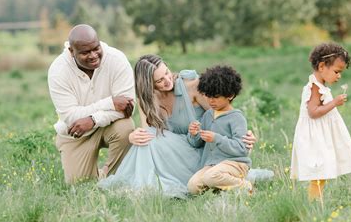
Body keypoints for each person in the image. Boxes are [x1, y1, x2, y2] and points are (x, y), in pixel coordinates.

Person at [98, 55, 264, 197]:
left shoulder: (191, 85)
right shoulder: (146, 99)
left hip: (199, 149)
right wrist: (133, 135)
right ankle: (144, 185)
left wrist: (245, 133)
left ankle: (150, 185)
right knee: (146, 138)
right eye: (159, 80)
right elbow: (147, 131)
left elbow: (223, 113)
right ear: (148, 84)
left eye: (167, 73)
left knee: (152, 138)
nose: (167, 80)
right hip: (170, 154)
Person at [48, 24, 135, 184]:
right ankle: (99, 176)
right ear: (71, 51)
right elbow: (70, 116)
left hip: (111, 125)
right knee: (81, 185)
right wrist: (111, 102)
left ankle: (114, 179)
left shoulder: (117, 59)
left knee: (126, 128)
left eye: (96, 48)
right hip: (76, 133)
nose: (94, 55)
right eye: (85, 52)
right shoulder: (58, 70)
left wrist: (93, 120)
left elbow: (127, 107)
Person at [290, 43, 351, 201]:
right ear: (322, 66)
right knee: (319, 171)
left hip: (321, 135)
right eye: (337, 71)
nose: (339, 76)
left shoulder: (320, 85)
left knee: (323, 171)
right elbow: (313, 113)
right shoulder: (314, 87)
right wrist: (334, 103)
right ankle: (313, 202)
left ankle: (315, 200)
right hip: (315, 137)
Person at [187, 65, 252, 195]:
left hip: (235, 164)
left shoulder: (236, 117)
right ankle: (222, 191)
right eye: (208, 96)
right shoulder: (208, 115)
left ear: (230, 95)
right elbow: (197, 143)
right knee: (192, 187)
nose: (210, 101)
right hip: (211, 166)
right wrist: (194, 134)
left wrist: (216, 138)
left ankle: (246, 186)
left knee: (210, 177)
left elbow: (242, 148)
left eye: (216, 97)